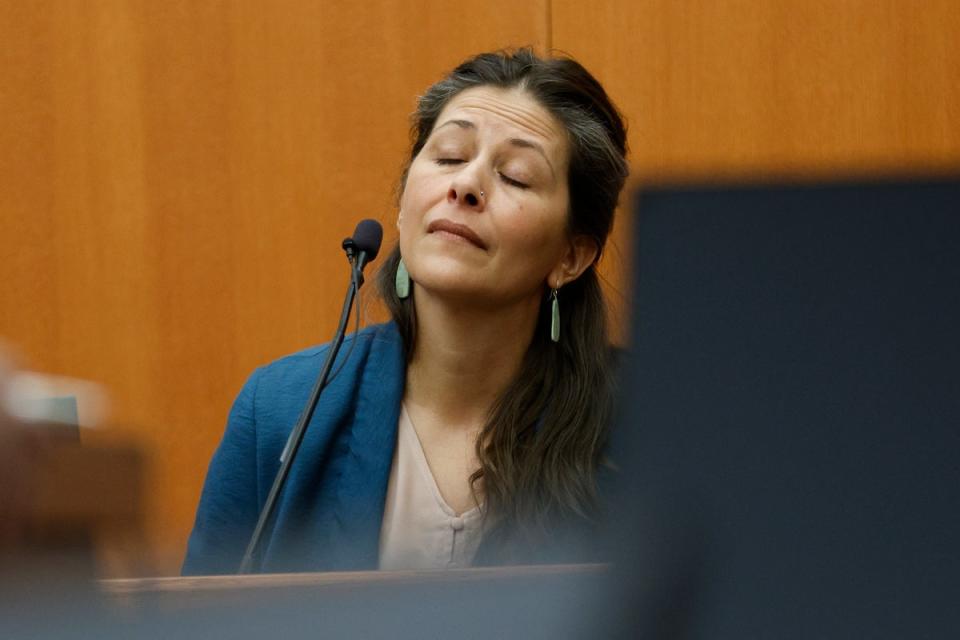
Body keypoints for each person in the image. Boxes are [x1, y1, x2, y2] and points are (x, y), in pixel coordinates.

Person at [182, 48, 629, 575]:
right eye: (447, 157)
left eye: (515, 176)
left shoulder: (650, 426)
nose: (465, 186)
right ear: (402, 205)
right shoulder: (281, 411)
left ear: (571, 256)